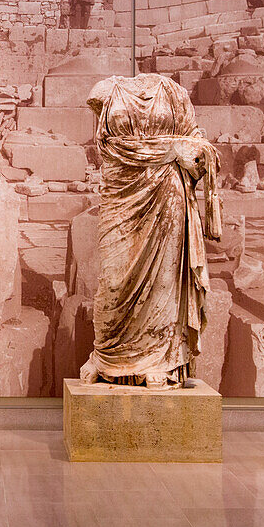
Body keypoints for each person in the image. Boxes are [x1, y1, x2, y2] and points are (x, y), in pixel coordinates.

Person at [79, 74, 222, 389]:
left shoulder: (176, 93)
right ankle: (106, 356)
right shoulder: (103, 91)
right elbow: (109, 149)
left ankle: (159, 360)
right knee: (113, 281)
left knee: (163, 283)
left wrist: (195, 151)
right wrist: (171, 149)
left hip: (166, 196)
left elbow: (195, 140)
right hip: (120, 196)